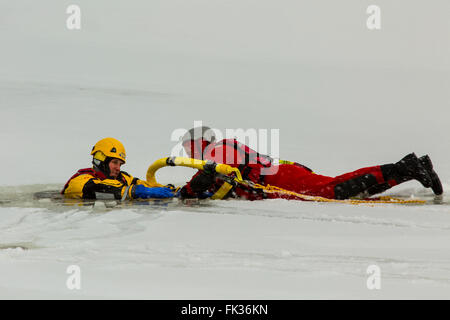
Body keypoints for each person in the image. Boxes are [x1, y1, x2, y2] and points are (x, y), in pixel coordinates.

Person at [179, 126, 443, 201]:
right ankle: (409, 171)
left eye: (188, 147)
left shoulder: (217, 149)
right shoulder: (222, 149)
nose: (187, 152)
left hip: (279, 179)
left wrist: (187, 192)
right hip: (280, 176)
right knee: (344, 194)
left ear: (200, 143)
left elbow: (210, 175)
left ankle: (404, 168)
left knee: (334, 190)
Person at [62, 137, 174, 200]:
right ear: (101, 160)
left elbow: (144, 185)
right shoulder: (80, 181)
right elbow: (104, 189)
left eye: (120, 164)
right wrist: (136, 191)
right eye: (115, 162)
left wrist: (175, 190)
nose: (118, 168)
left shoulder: (123, 177)